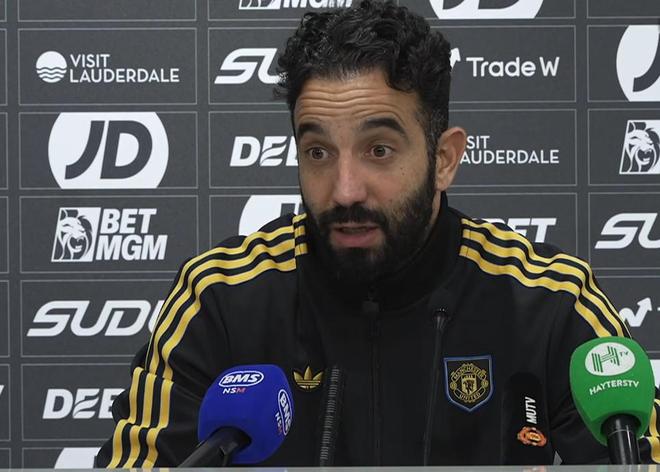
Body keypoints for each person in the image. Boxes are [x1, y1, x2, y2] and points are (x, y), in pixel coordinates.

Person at [96, 0, 660, 467]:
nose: (345, 190)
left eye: (379, 149)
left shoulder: (550, 300)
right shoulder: (219, 297)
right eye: (318, 152)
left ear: (444, 158)